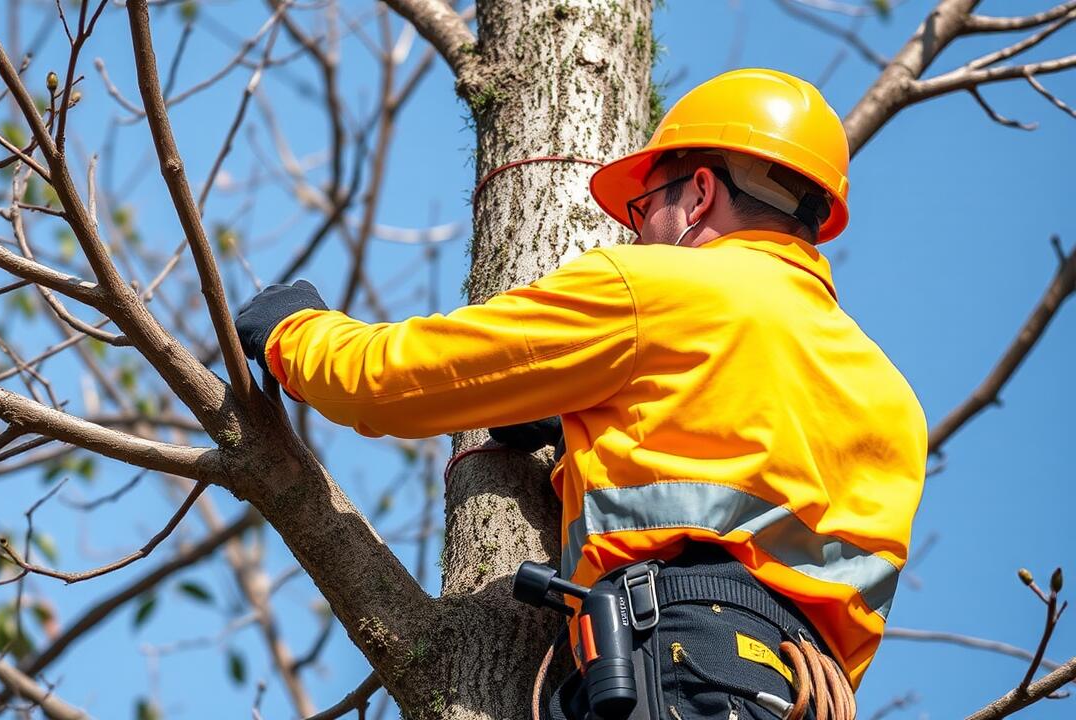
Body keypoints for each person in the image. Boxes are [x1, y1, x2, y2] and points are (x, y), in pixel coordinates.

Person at [235, 68, 926, 720]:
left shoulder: (659, 288)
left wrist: (294, 332)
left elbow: (391, 382)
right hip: (796, 691)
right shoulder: (889, 397)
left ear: (702, 193)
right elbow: (741, 487)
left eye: (644, 205)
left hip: (680, 669)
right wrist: (584, 426)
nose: (636, 229)